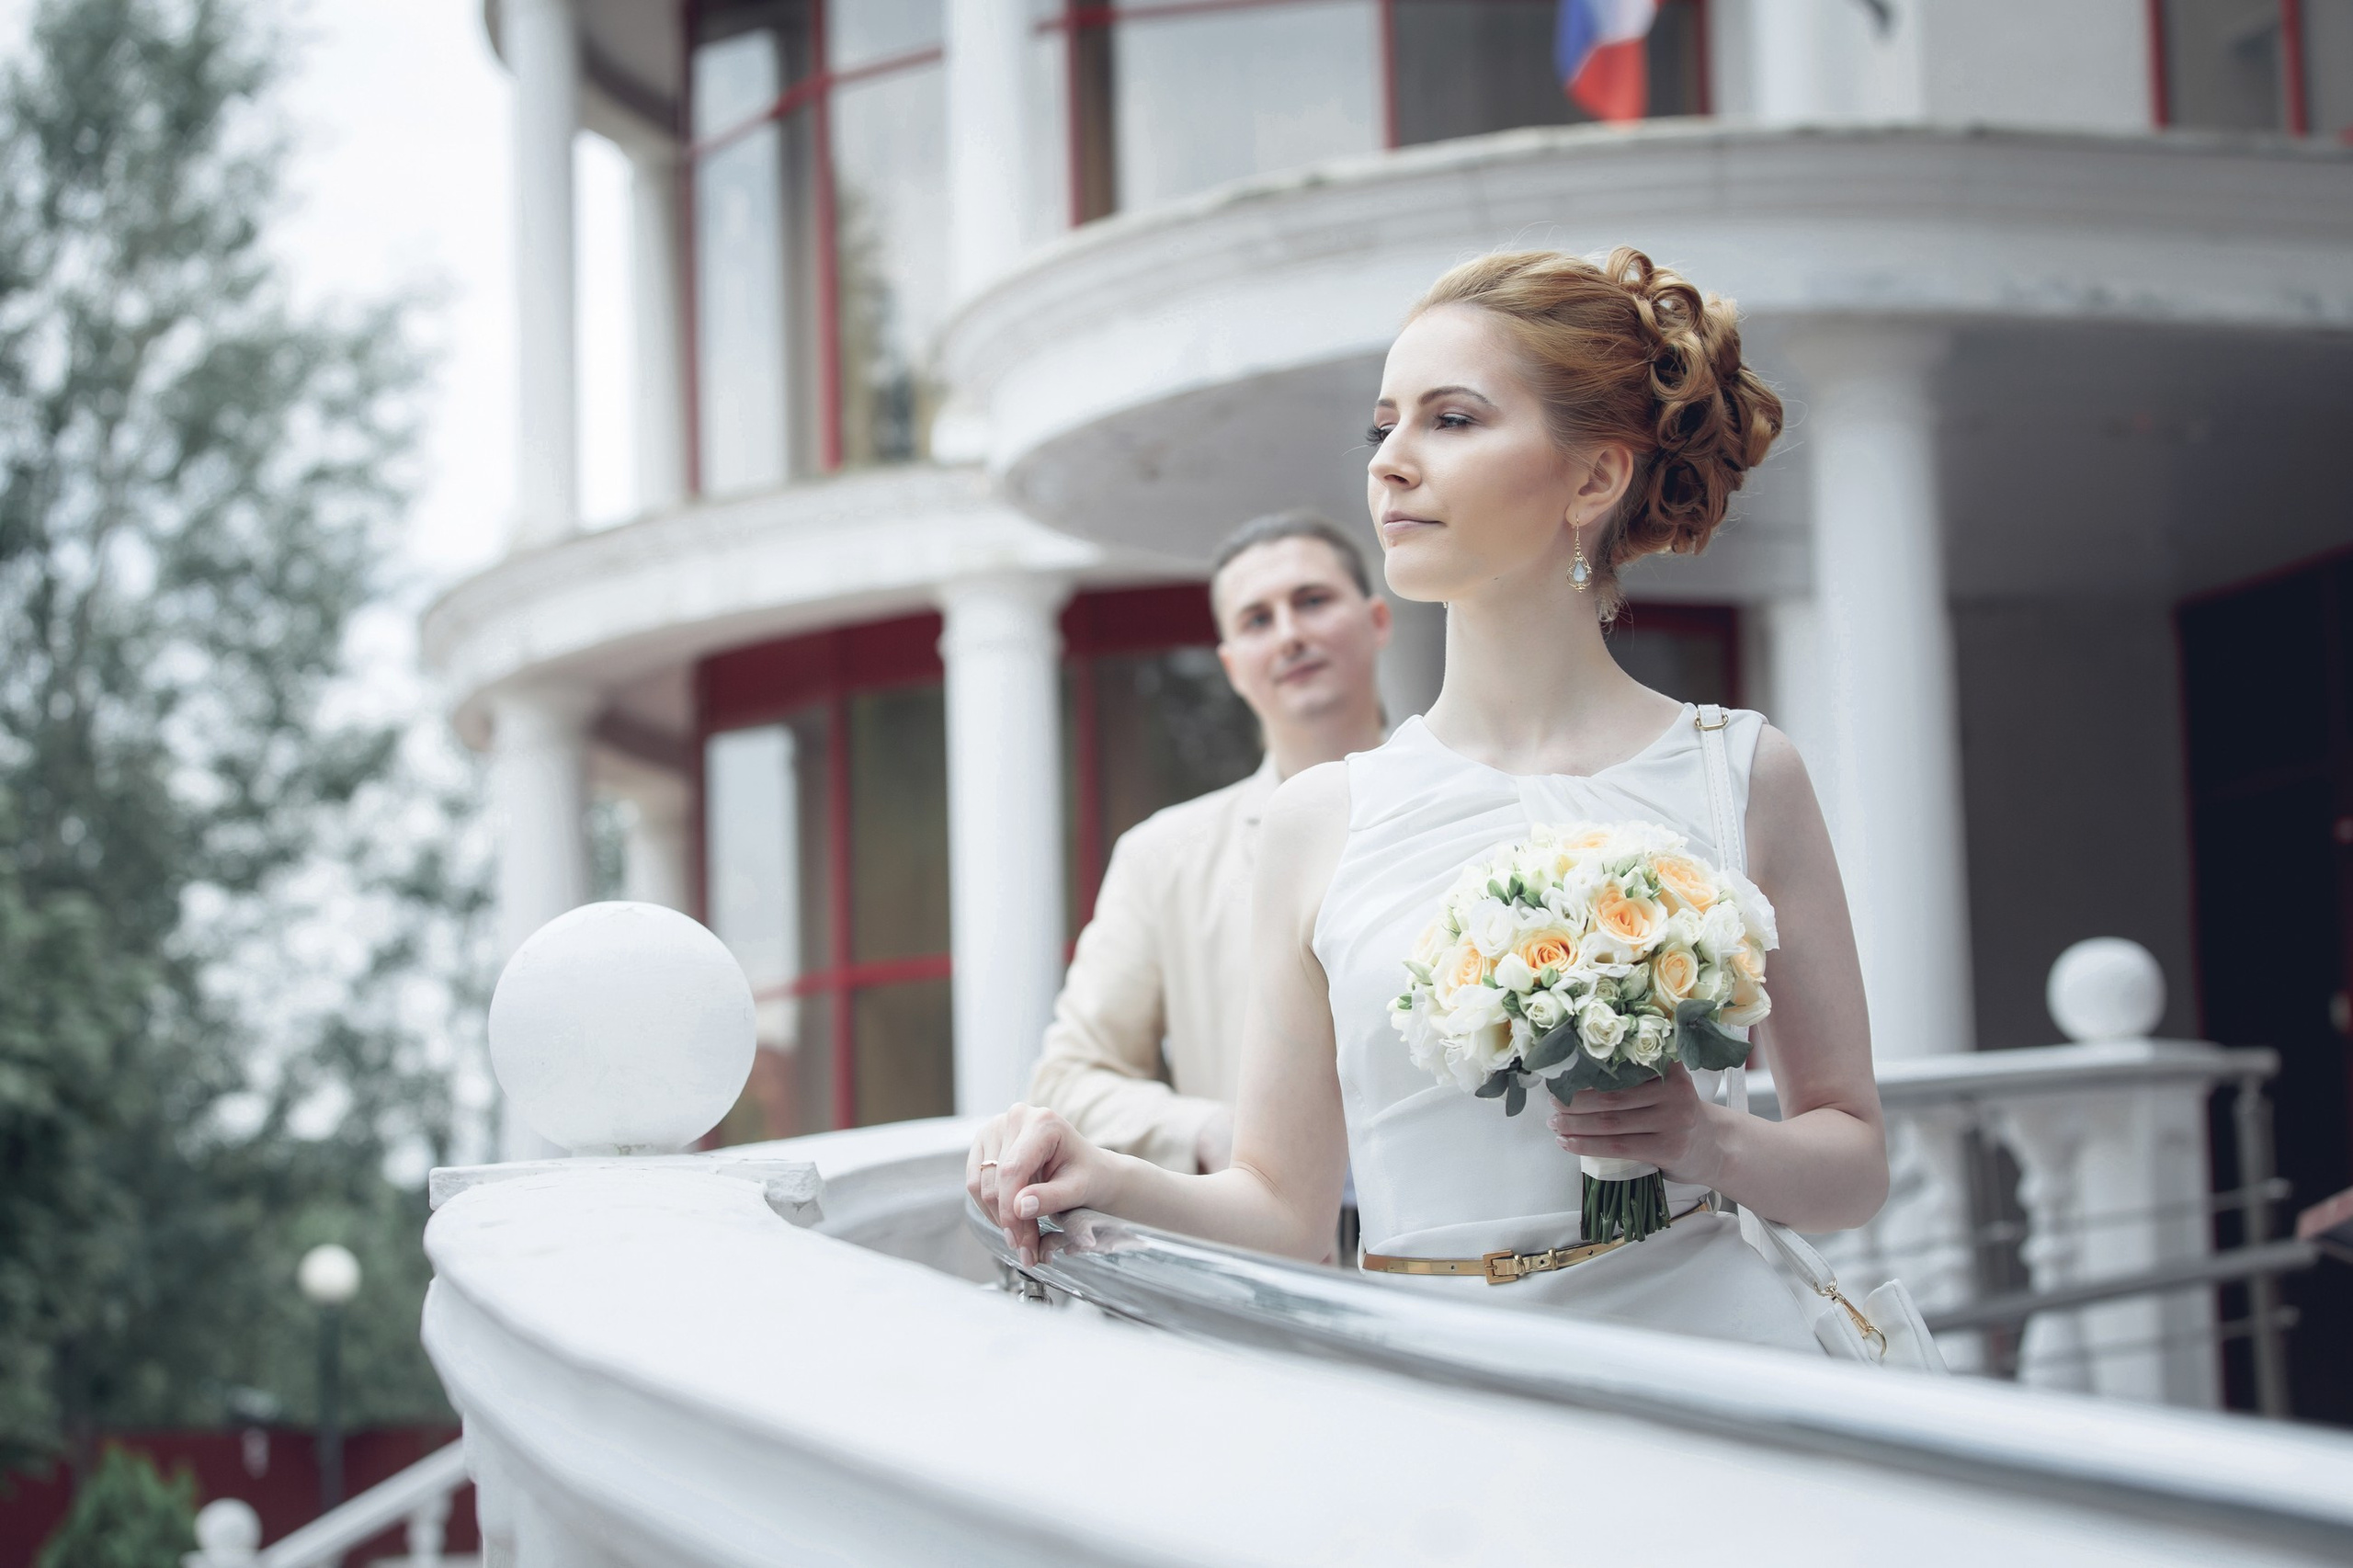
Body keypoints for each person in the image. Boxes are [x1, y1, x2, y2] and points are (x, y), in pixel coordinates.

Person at [971, 248, 1888, 1350]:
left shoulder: (1742, 770)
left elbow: (1854, 1159)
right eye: (1382, 427)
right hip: (1444, 1394)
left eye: (1450, 420)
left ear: (1592, 480)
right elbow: (1280, 1209)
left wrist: (1712, 1142)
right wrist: (1103, 1173)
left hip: (1714, 1362)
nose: (1391, 466)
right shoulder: (1318, 819)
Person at [1029, 512, 1391, 1175]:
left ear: (1378, 621)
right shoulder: (1160, 857)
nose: (1290, 634)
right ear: (1231, 665)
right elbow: (1069, 1078)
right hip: (1268, 1256)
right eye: (1257, 620)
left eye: (1312, 601)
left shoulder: (1472, 801)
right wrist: (1209, 1132)